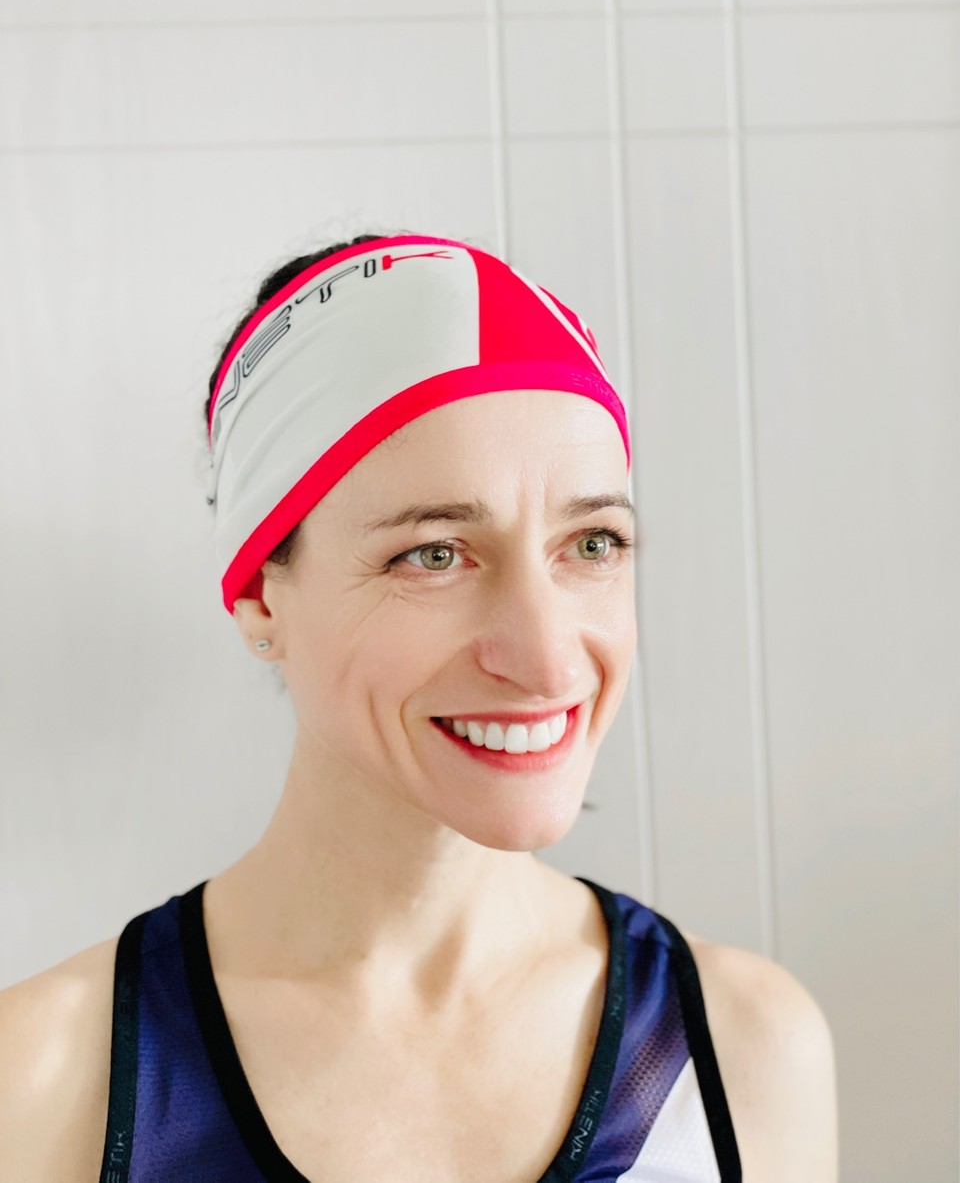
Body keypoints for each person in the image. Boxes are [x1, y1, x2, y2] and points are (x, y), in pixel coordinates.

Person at [0, 233, 838, 1182]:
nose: (547, 658)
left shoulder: (743, 1049)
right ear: (262, 596)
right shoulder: (46, 1082)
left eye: (593, 543)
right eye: (434, 554)